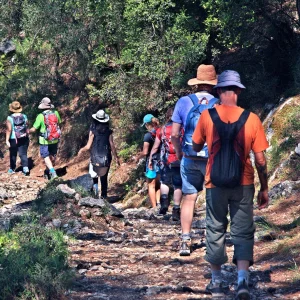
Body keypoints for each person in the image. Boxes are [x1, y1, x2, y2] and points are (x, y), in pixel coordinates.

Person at [192, 70, 269, 299]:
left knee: (215, 228)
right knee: (243, 231)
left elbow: (195, 147)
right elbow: (261, 160)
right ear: (238, 91)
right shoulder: (252, 119)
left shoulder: (207, 116)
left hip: (214, 183)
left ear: (218, 91)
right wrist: (264, 187)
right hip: (243, 182)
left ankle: (216, 282)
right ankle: (242, 280)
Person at [171, 64, 219, 256]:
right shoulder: (221, 103)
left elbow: (175, 133)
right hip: (212, 159)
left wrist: (179, 153)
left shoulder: (183, 102)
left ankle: (185, 240)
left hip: (189, 156)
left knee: (189, 198)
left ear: (197, 83)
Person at [148, 108, 183, 219]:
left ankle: (163, 206)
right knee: (178, 184)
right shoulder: (182, 128)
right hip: (180, 158)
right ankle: (176, 210)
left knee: (164, 182)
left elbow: (155, 147)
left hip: (165, 160)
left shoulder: (162, 129)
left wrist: (150, 159)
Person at [79, 109, 120, 199]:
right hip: (106, 158)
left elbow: (88, 146)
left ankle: (95, 193)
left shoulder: (93, 130)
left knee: (94, 176)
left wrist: (81, 150)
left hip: (95, 157)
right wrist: (116, 157)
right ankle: (104, 196)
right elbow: (112, 145)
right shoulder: (109, 131)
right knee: (104, 177)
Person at [29, 97, 61, 179]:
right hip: (54, 139)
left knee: (46, 156)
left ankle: (53, 173)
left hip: (44, 140)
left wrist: (27, 130)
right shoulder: (56, 113)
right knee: (52, 156)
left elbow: (34, 128)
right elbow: (59, 123)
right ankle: (47, 172)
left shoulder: (40, 116)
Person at [136, 114, 160, 208]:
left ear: (147, 124)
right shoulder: (161, 131)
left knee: (151, 185)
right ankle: (159, 204)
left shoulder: (148, 136)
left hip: (151, 162)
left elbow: (145, 152)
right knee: (158, 183)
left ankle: (154, 207)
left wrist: (138, 157)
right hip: (161, 161)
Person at [5, 101, 30, 175]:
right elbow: (27, 126)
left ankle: (12, 169)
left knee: (13, 153)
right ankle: (26, 169)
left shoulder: (9, 118)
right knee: (23, 154)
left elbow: (9, 129)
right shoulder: (24, 116)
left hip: (13, 138)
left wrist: (7, 140)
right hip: (23, 137)